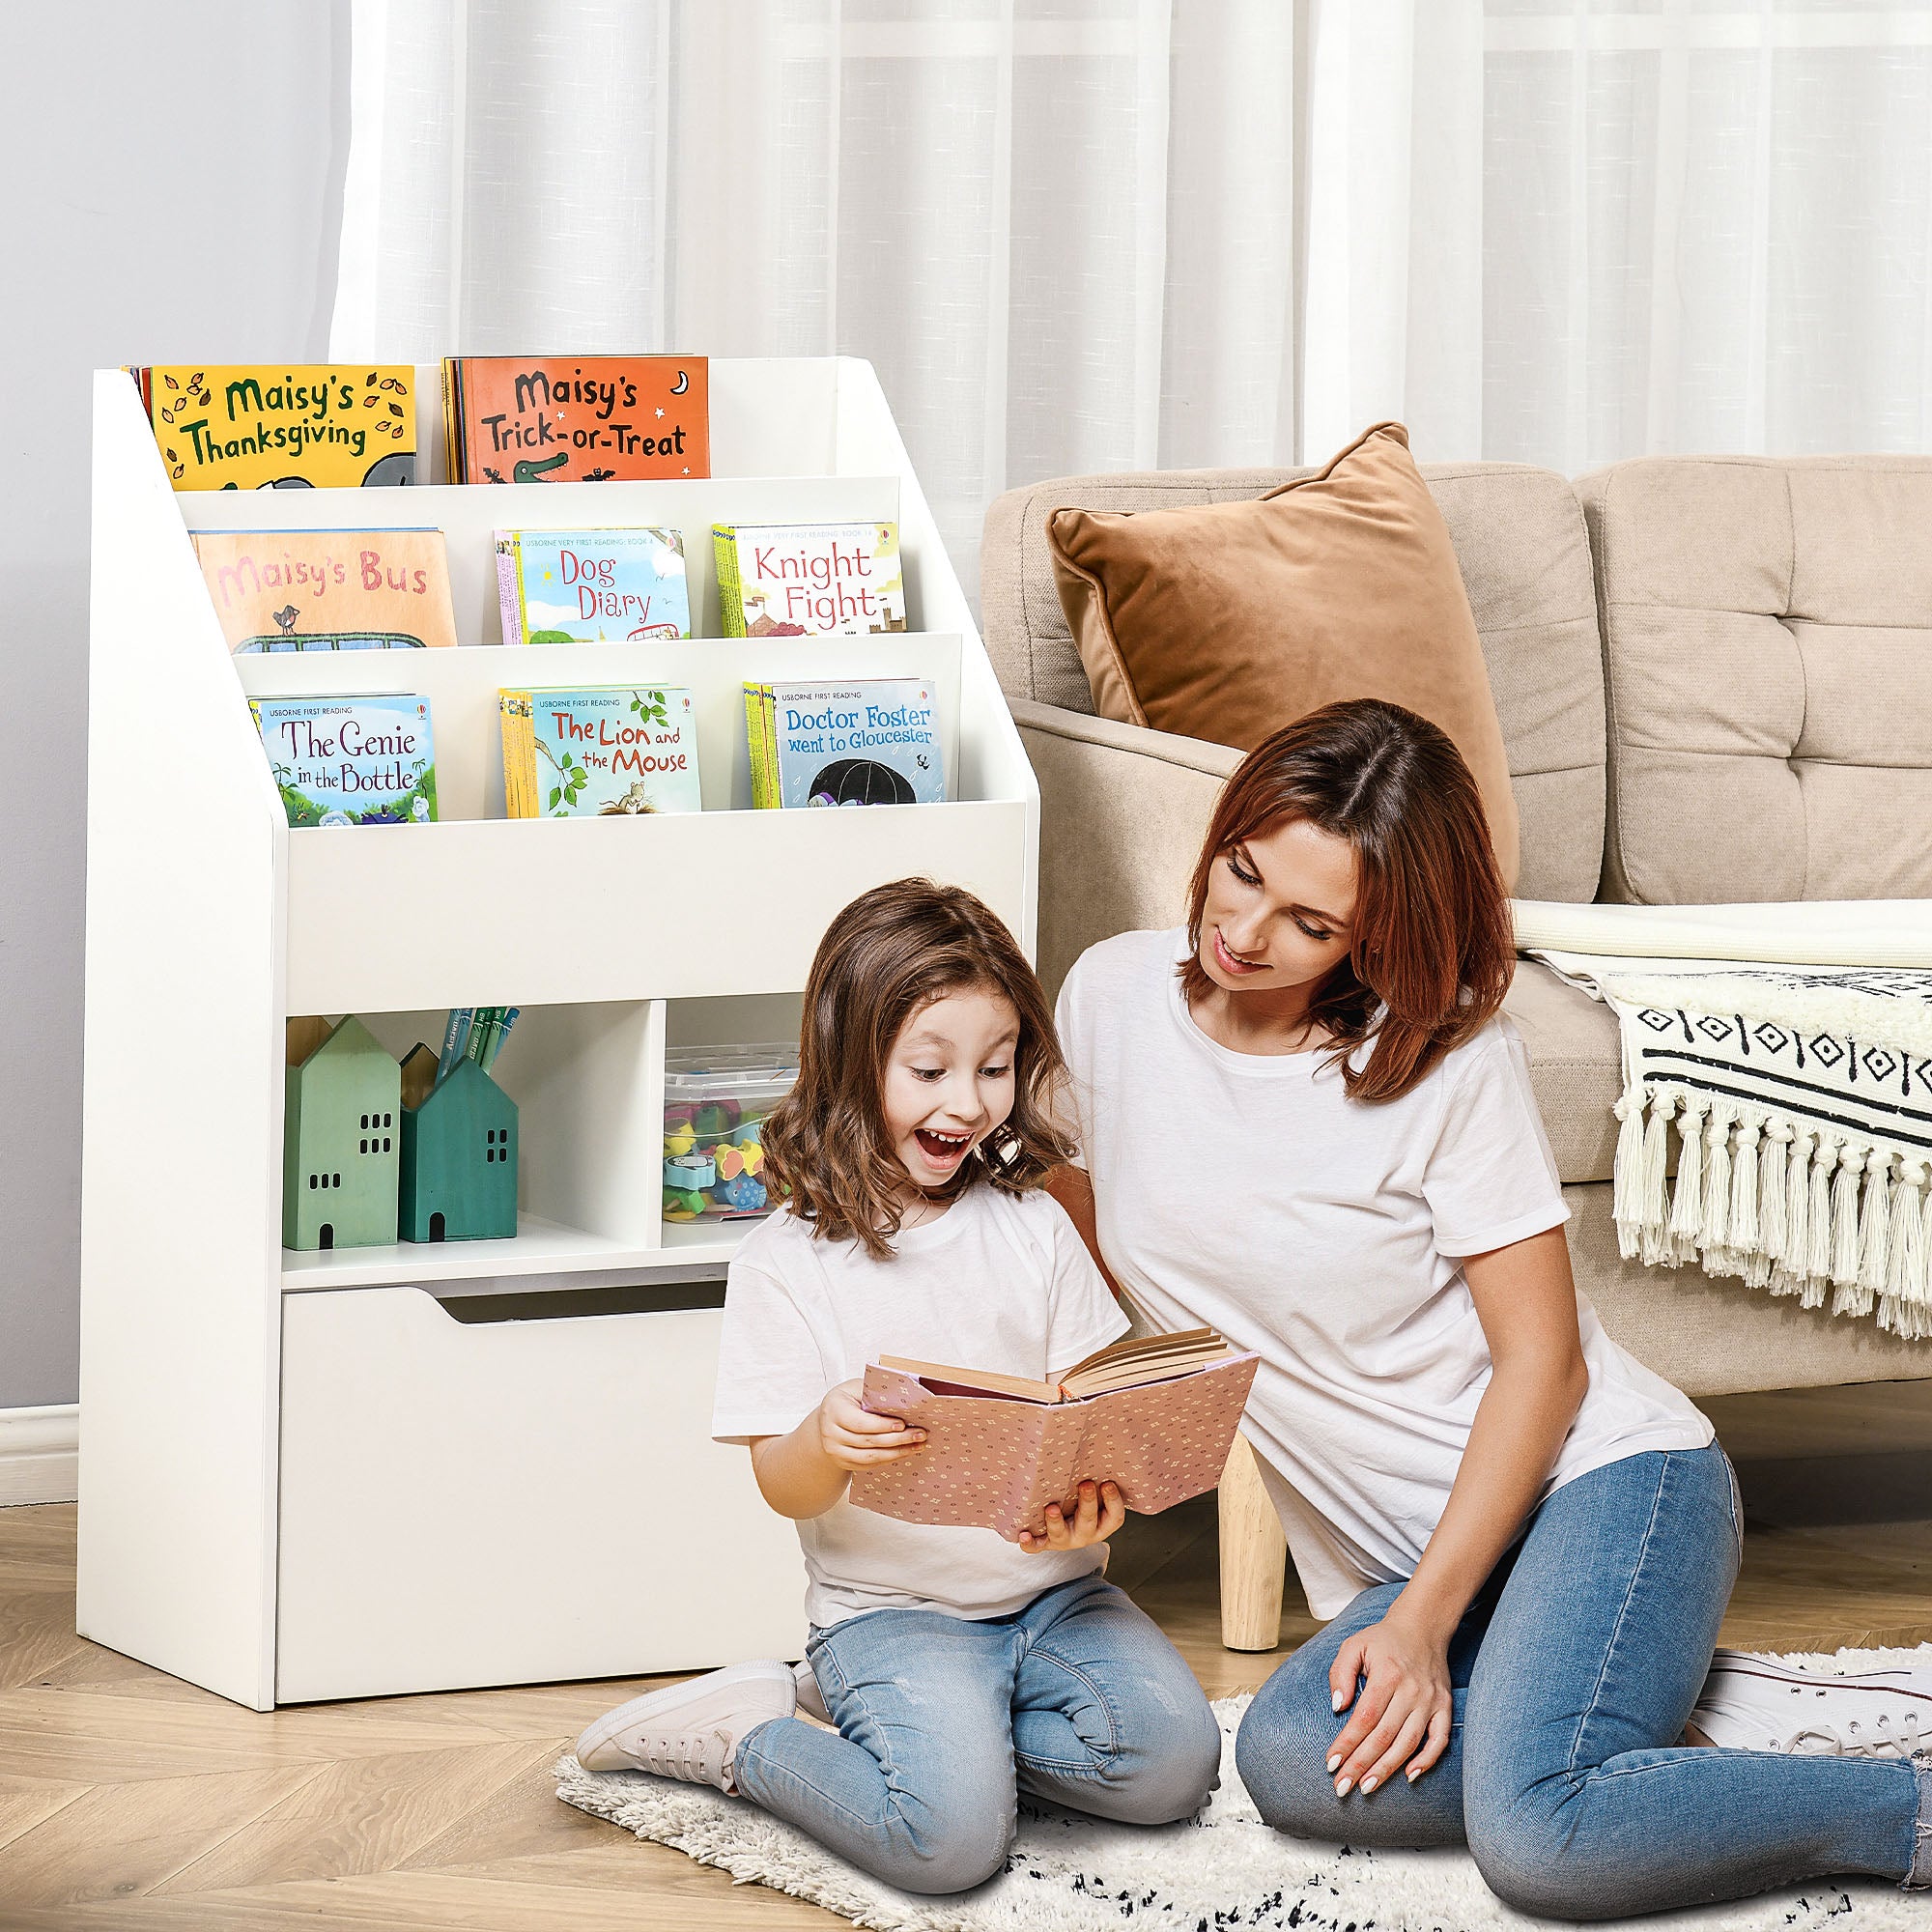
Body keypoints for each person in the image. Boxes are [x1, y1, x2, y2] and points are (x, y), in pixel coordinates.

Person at [1051, 697, 1932, 1918]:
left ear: (1375, 934)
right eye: (1239, 870)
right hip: (1409, 1550)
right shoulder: (1105, 997)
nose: (1242, 931)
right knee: (1286, 1757)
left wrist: (1419, 1626)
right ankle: (1603, 1749)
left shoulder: (1440, 1062)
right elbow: (1079, 1239)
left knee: (1541, 1841)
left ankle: (1900, 1810)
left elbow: (1545, 1368)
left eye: (1310, 922)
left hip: (1603, 1483)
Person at [573, 878, 1222, 1895]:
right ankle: (748, 1732)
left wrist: (1095, 1503)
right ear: (850, 1060)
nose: (967, 1101)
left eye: (995, 1066)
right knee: (946, 1843)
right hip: (890, 1611)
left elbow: (1083, 1414)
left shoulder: (1032, 1224)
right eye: (929, 1067)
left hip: (1055, 1598)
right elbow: (781, 1488)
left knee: (1172, 1769)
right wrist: (823, 1437)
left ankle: (937, 1737)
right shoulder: (787, 1261)